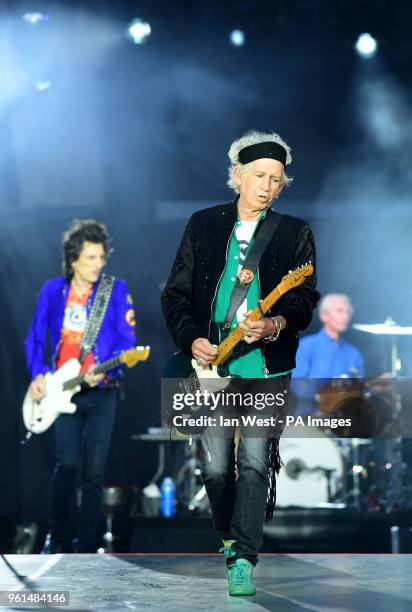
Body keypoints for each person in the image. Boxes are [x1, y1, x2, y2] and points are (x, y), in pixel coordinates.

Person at [161, 130, 320, 596]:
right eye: (259, 176)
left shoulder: (294, 233)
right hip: (212, 367)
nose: (268, 186)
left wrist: (273, 325)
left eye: (276, 179)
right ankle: (229, 536)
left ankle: (244, 559)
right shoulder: (202, 224)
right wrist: (192, 339)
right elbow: (175, 295)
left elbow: (306, 299)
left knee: (253, 462)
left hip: (267, 369)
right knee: (213, 469)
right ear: (237, 177)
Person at [25, 219, 136, 553]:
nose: (98, 265)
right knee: (69, 463)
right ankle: (56, 537)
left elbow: (128, 343)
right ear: (73, 259)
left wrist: (103, 373)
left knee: (94, 471)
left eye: (101, 258)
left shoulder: (115, 290)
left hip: (102, 392)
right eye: (90, 258)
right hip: (63, 389)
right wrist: (39, 374)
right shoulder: (52, 291)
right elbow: (35, 339)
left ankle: (86, 543)